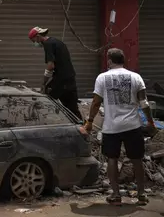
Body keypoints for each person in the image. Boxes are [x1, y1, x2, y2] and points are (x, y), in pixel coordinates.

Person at [84, 48, 156, 206]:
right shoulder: (136, 77)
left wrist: (89, 121)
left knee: (112, 159)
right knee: (137, 160)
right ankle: (142, 195)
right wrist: (150, 122)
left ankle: (116, 195)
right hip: (133, 125)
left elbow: (96, 102)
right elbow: (144, 103)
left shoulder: (102, 78)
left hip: (112, 127)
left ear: (109, 61)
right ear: (124, 60)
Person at [28, 26, 82, 119]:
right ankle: (81, 126)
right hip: (70, 78)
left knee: (47, 100)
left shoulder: (47, 44)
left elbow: (50, 66)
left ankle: (48, 121)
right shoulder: (57, 41)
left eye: (34, 41)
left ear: (37, 36)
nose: (35, 43)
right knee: (72, 107)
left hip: (61, 80)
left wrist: (44, 83)